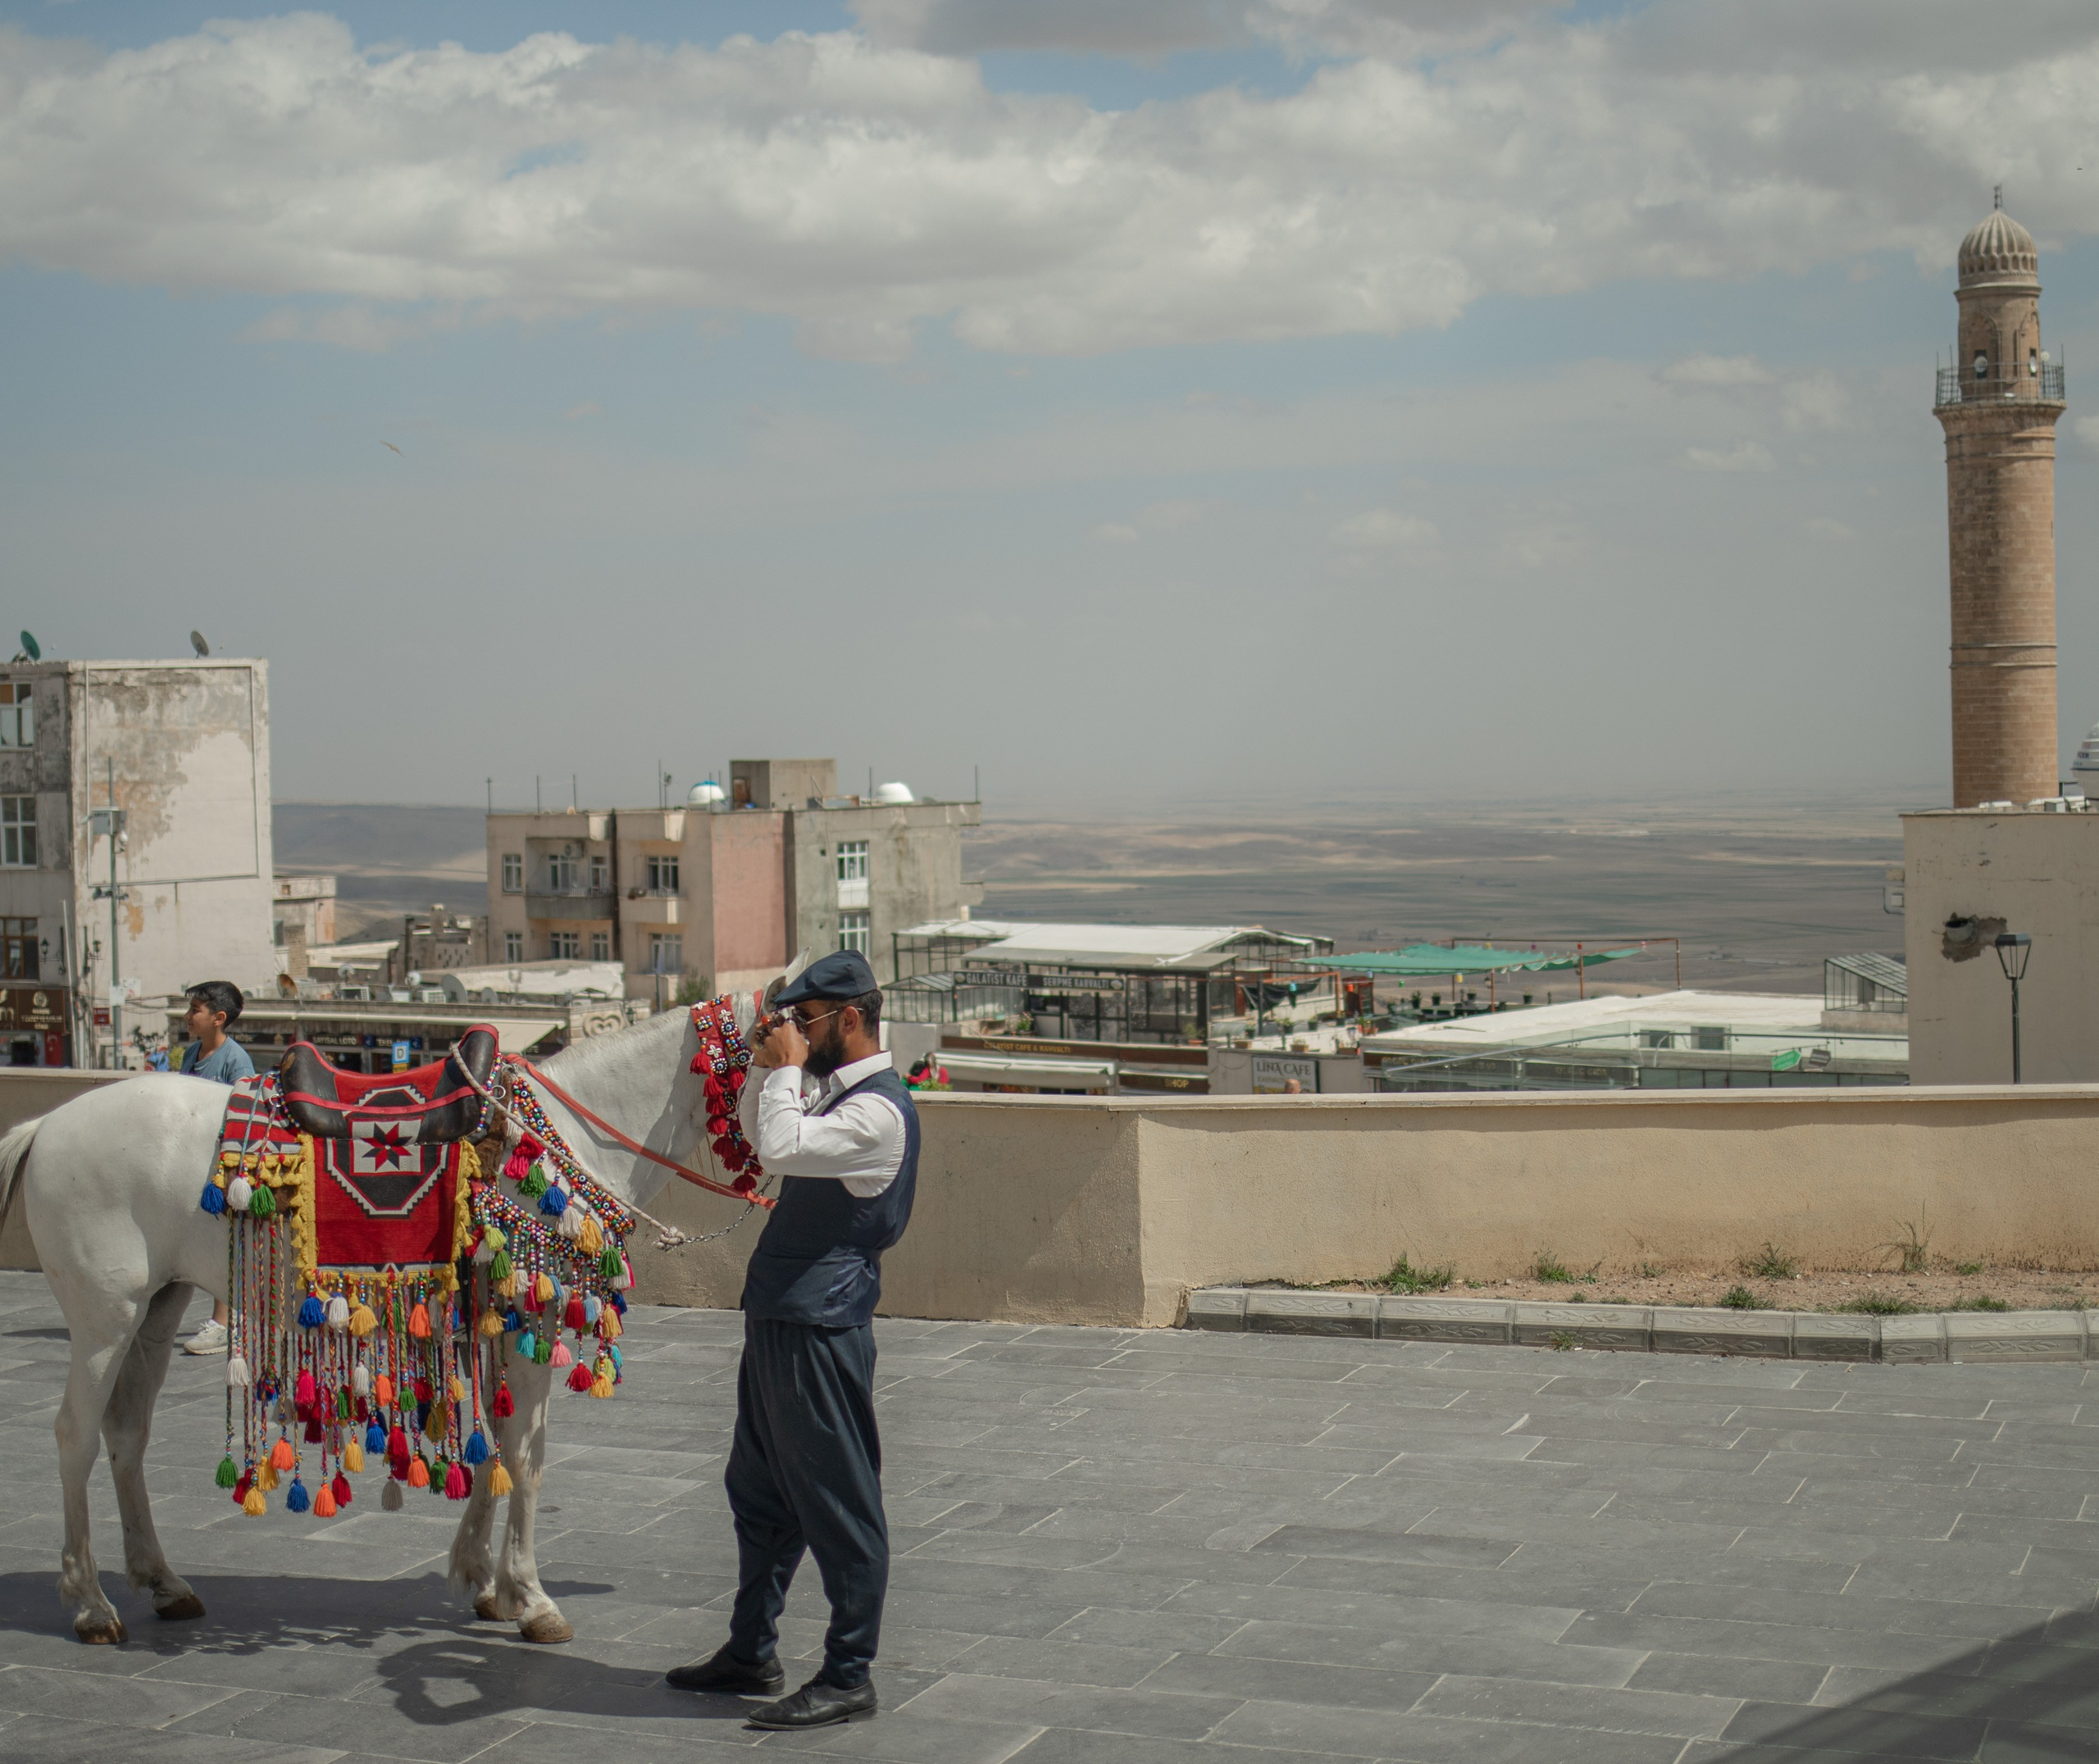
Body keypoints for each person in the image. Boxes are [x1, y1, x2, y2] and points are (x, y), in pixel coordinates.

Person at [666, 950, 917, 1730]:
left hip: (821, 1326)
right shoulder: (827, 1094)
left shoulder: (877, 1112)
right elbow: (759, 1134)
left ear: (849, 1019)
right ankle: (751, 1650)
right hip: (782, 1315)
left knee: (839, 1501)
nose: (794, 1036)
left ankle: (849, 1674)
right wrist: (767, 1068)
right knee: (762, 1493)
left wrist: (781, 1072)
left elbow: (779, 1150)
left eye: (804, 1021)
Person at [176, 981, 255, 1355]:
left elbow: (244, 1116)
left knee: (223, 1240)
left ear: (218, 1018)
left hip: (221, 1165)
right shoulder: (191, 1053)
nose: (189, 1016)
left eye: (196, 1009)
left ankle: (225, 1322)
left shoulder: (236, 1061)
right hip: (191, 1160)